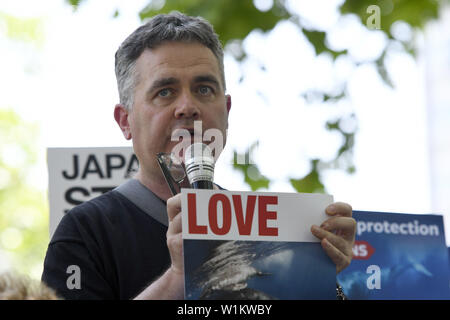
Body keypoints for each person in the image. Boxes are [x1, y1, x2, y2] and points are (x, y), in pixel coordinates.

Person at [41, 11, 356, 300]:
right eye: (165, 92)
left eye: (204, 89)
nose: (188, 107)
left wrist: (324, 278)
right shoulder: (84, 233)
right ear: (126, 121)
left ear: (227, 111)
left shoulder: (268, 232)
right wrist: (181, 275)